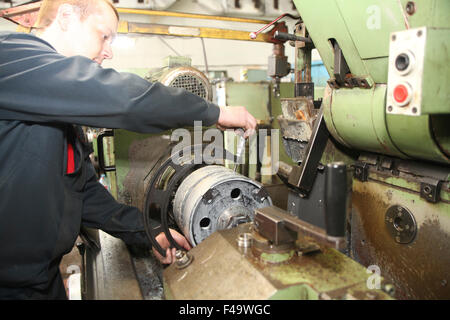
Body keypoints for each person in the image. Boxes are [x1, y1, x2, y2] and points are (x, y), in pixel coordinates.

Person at [0, 0, 257, 299]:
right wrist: (215, 113)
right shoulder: (11, 59)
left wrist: (148, 231)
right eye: (104, 35)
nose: (108, 51)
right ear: (66, 17)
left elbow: (81, 192)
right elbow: (122, 98)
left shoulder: (57, 109)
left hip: (39, 281)